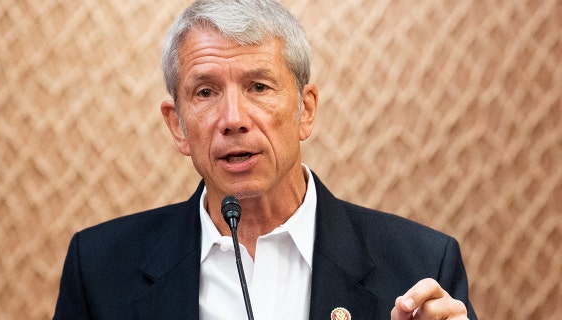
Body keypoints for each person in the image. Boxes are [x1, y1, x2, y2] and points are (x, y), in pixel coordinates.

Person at [53, 0, 477, 319]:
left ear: (305, 110)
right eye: (205, 92)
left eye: (258, 86)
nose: (233, 119)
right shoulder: (100, 269)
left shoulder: (420, 265)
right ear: (177, 125)